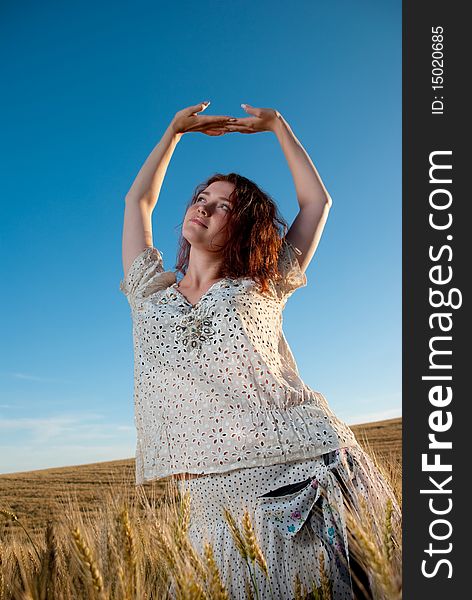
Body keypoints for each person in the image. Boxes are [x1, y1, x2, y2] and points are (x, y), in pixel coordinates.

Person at [119, 101, 401, 599]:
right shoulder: (149, 294)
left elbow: (317, 204)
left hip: (306, 468)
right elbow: (137, 201)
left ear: (243, 225)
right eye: (201, 197)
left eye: (222, 205)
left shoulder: (263, 283)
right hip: (212, 495)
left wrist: (278, 127)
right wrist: (173, 132)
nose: (203, 207)